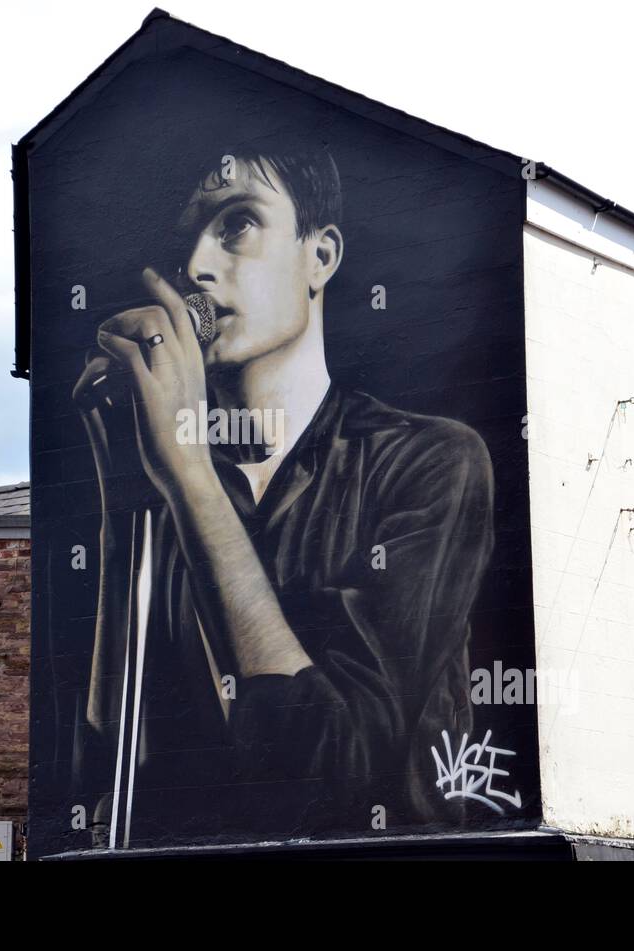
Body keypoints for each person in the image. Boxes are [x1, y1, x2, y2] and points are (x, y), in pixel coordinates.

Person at [72, 143, 496, 847]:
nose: (199, 269)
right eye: (185, 247)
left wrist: (188, 476)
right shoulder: (173, 478)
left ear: (320, 255)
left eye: (237, 224)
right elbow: (109, 774)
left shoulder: (430, 461)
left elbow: (332, 774)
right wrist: (128, 509)